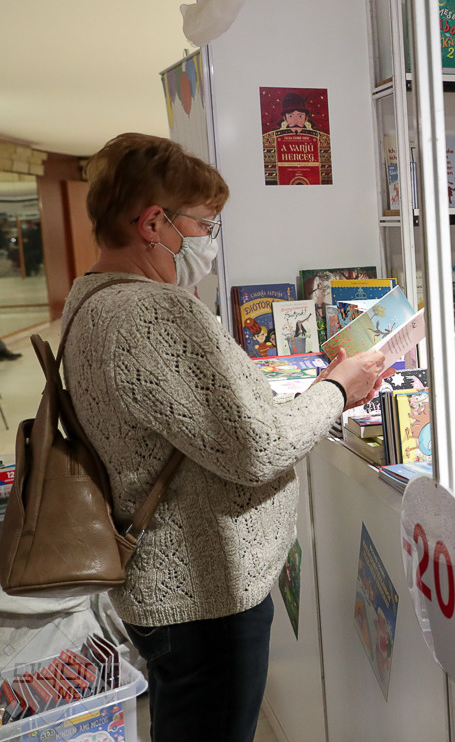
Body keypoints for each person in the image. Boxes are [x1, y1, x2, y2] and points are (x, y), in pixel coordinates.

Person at [62, 133, 390, 742]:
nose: (210, 242)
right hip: (202, 593)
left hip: (163, 583)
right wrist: (336, 390)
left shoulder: (90, 300)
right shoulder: (152, 313)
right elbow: (258, 449)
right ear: (153, 223)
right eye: (204, 225)